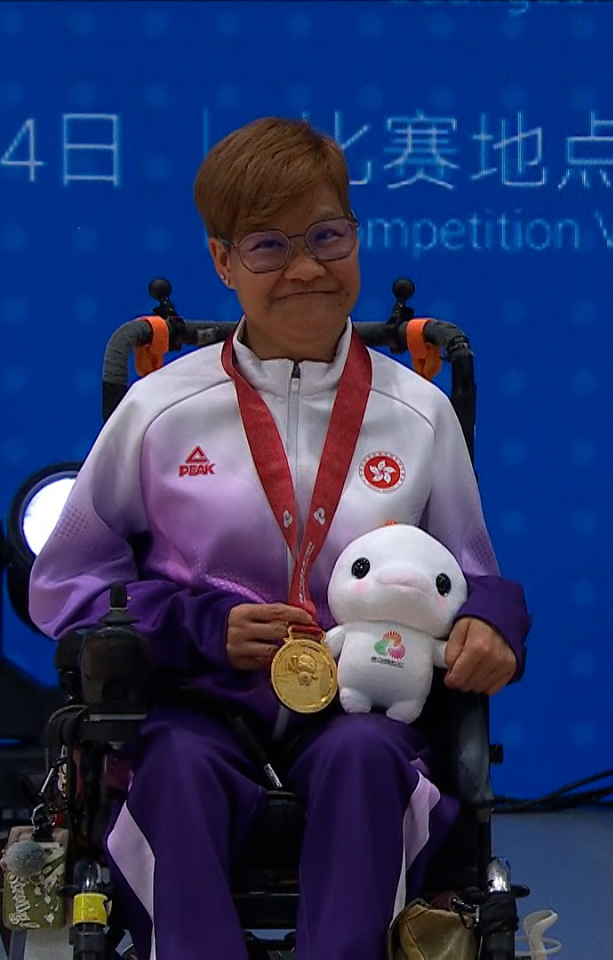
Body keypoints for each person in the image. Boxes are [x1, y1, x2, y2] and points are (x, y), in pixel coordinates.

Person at [29, 117, 532, 960]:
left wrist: (493, 623)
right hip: (195, 707)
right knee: (173, 769)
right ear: (223, 262)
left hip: (363, 707)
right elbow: (67, 587)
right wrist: (196, 628)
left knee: (369, 760)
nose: (306, 267)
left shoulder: (418, 413)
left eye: (327, 235)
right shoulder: (159, 412)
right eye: (268, 246)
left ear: (357, 238)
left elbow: (473, 576)